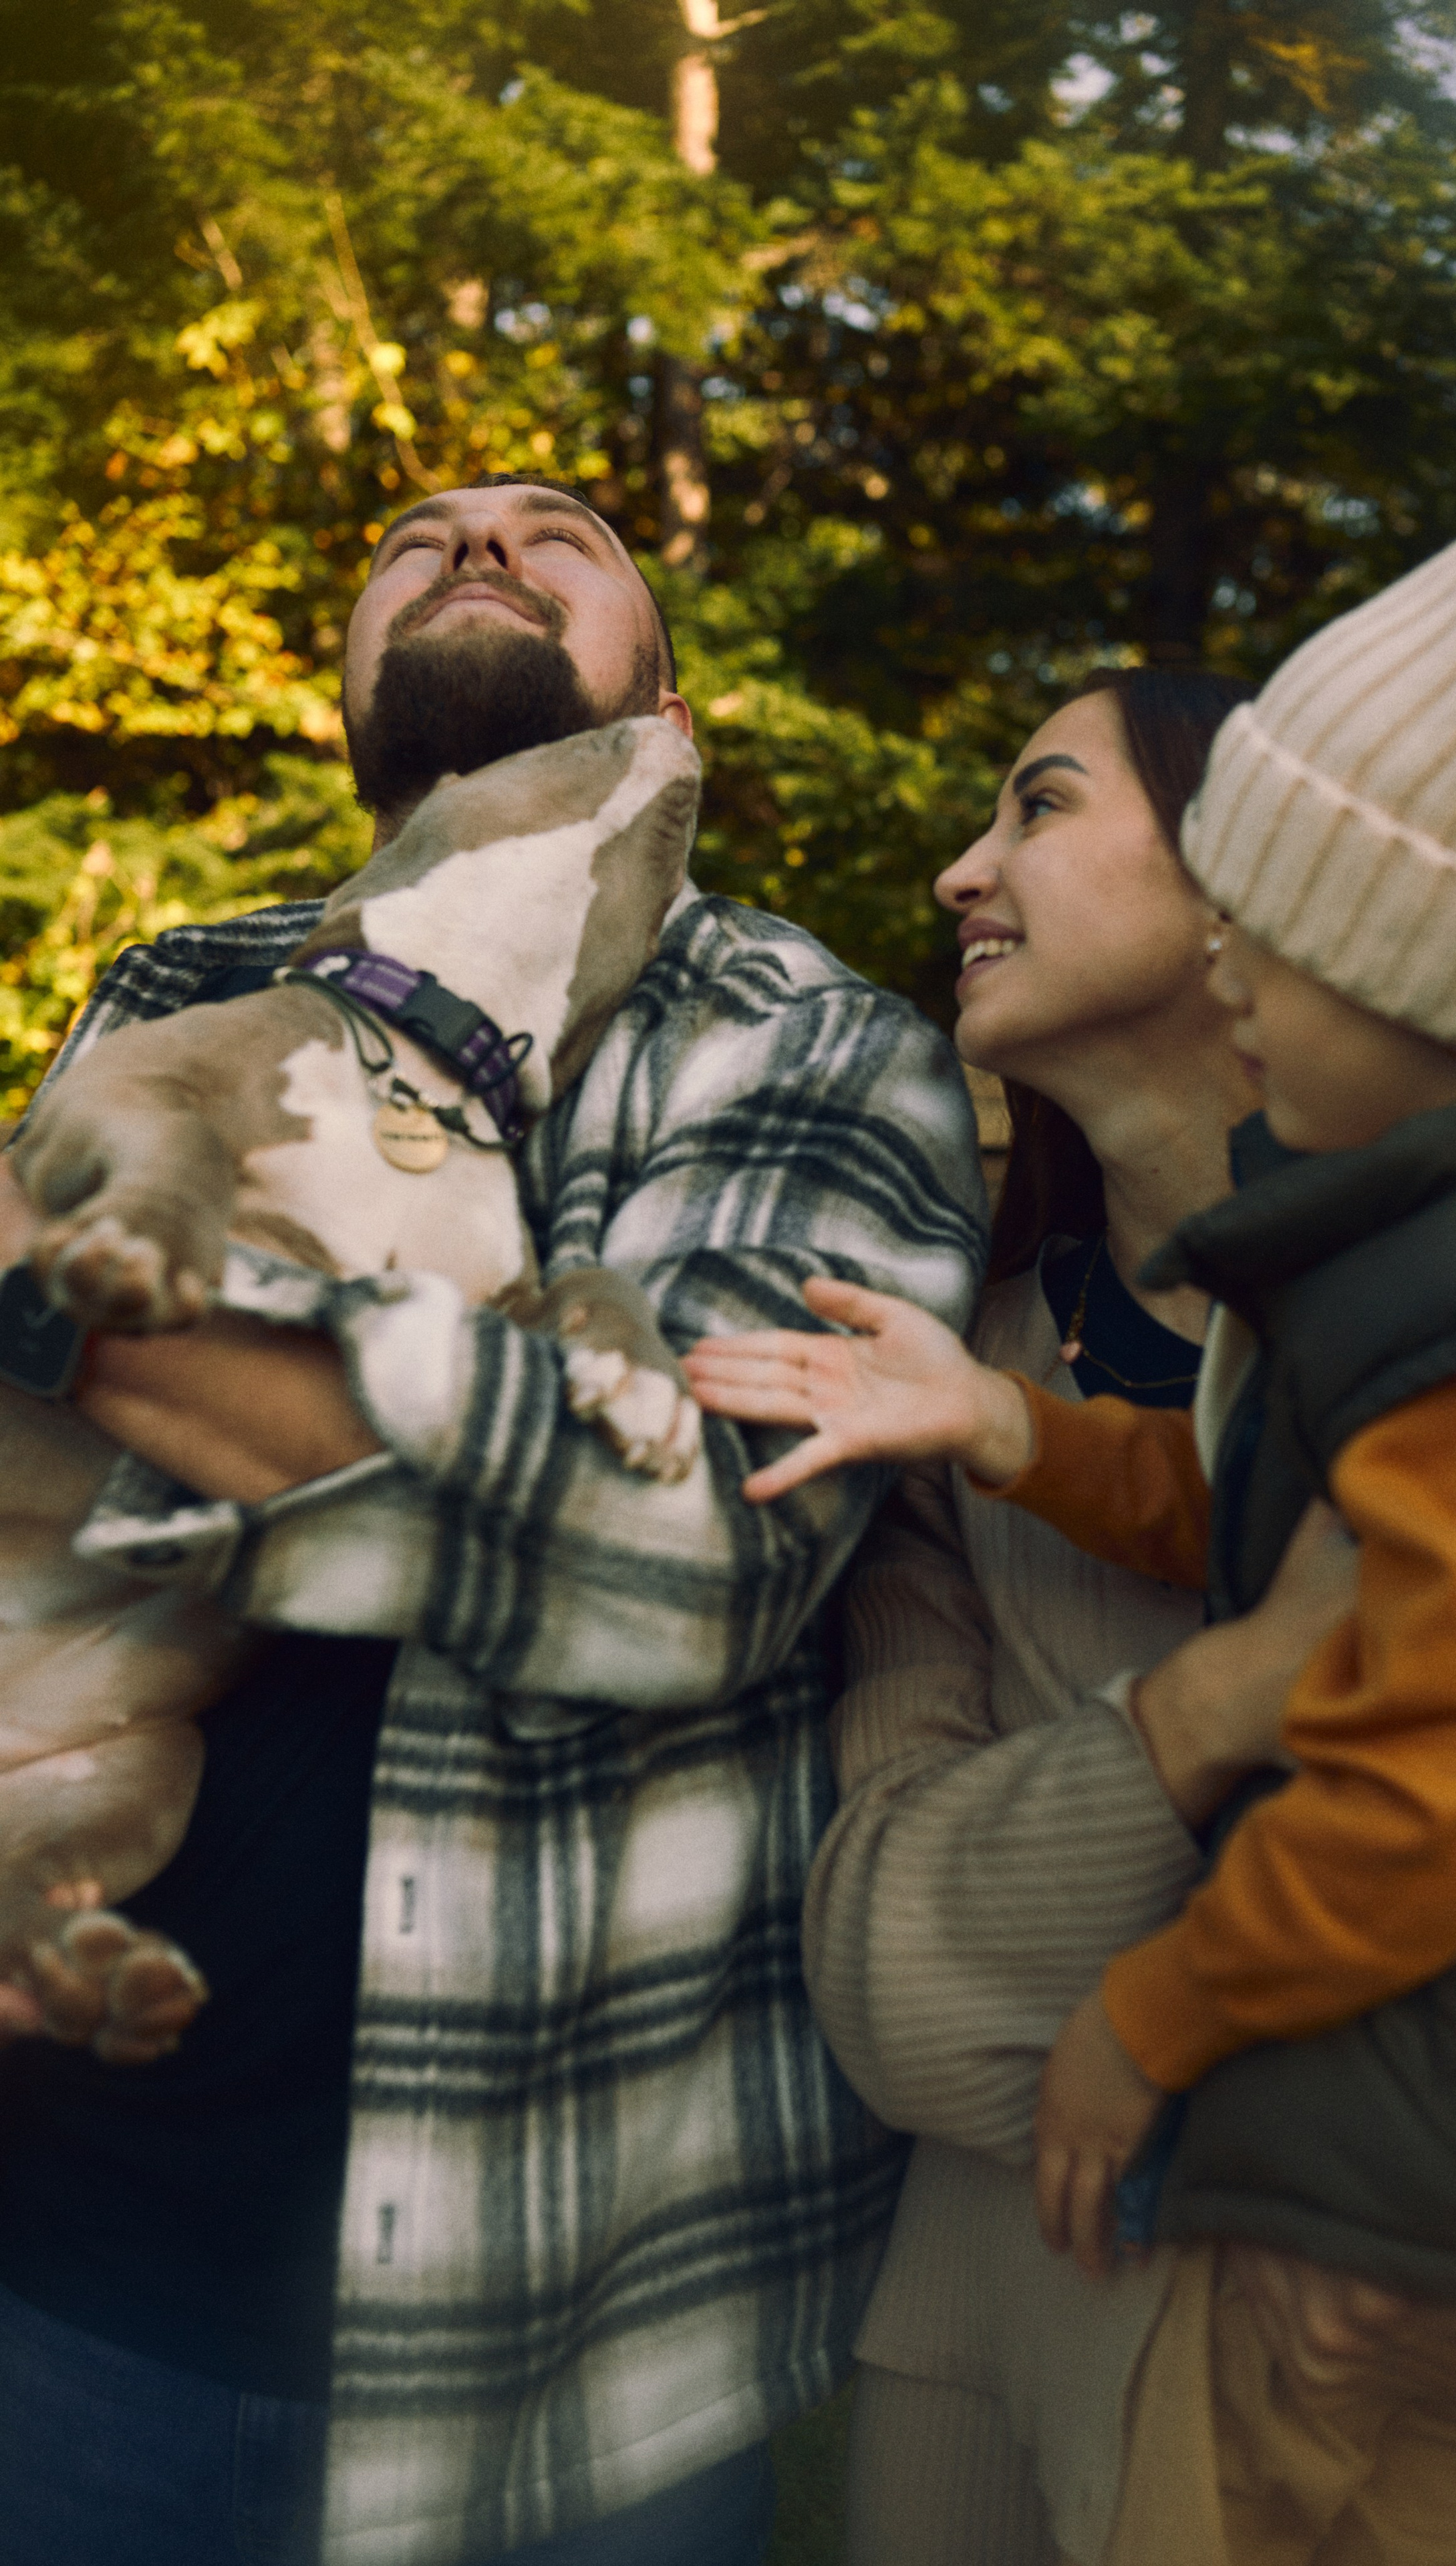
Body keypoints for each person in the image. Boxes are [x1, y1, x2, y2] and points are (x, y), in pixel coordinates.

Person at [685, 536, 1456, 2566]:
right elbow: (894, 1975)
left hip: (1410, 2265)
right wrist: (1029, 1462)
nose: (961, 876)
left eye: (1043, 806)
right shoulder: (1007, 1338)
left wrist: (1146, 2011)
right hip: (1024, 2299)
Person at [0, 473, 989, 2566]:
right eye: (408, 538)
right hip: (65, 2247)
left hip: (547, 2313)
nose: (469, 549)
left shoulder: (812, 1043)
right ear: (348, 687)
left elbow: (696, 1544)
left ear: (672, 714)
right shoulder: (184, 972)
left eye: (562, 538)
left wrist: (72, 1309)